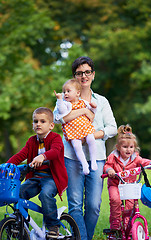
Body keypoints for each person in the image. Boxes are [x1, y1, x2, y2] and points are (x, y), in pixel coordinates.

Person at [53, 56, 117, 240]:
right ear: (75, 76)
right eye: (79, 73)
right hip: (71, 157)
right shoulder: (67, 95)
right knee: (74, 204)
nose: (84, 76)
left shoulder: (102, 101)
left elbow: (112, 128)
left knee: (94, 205)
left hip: (97, 157)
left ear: (93, 75)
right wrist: (82, 111)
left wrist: (90, 135)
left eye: (87, 72)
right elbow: (57, 118)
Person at [7, 107, 68, 239]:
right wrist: (7, 166)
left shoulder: (56, 138)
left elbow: (56, 151)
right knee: (19, 192)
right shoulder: (31, 141)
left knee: (45, 195)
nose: (38, 124)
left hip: (52, 177)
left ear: (51, 125)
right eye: (35, 121)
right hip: (35, 177)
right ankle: (20, 224)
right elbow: (20, 155)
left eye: (42, 121)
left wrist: (43, 156)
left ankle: (53, 227)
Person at [103, 124, 151, 231]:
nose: (128, 150)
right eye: (125, 147)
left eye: (131, 147)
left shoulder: (135, 158)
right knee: (115, 200)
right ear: (118, 147)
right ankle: (115, 222)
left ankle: (128, 223)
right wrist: (109, 170)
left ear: (134, 147)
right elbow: (107, 165)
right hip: (115, 185)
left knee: (130, 203)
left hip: (130, 185)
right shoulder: (113, 157)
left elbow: (143, 162)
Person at [54, 78, 97, 175]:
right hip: (72, 130)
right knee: (76, 146)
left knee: (91, 139)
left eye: (68, 91)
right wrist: (59, 100)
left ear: (77, 93)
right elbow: (61, 112)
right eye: (64, 91)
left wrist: (94, 107)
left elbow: (92, 113)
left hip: (85, 127)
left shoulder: (84, 103)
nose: (66, 94)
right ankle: (84, 164)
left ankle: (93, 160)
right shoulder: (65, 104)